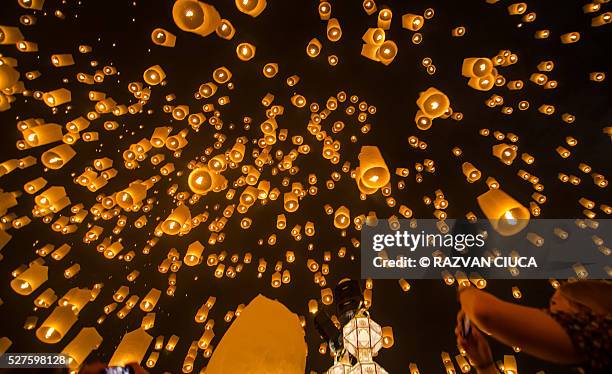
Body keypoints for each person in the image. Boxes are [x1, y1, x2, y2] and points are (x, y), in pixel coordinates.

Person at [455, 280, 612, 373]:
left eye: (554, 303)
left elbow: (484, 311)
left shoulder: (602, 333)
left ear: (584, 305)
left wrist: (465, 289)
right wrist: (485, 366)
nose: (549, 312)